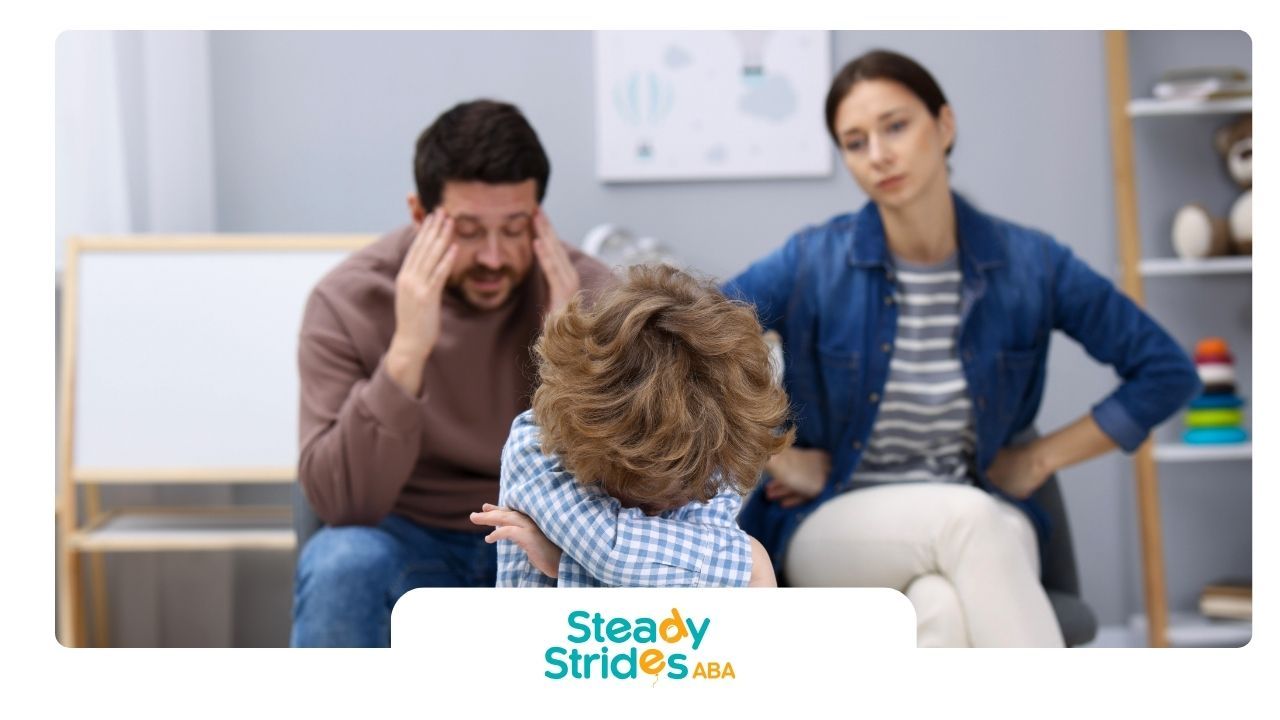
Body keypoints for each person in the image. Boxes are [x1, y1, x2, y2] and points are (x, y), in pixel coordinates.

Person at [722, 50, 1201, 647]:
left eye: (895, 126)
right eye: (855, 141)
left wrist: (1042, 457)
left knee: (939, 608)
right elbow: (689, 343)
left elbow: (1165, 371)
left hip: (987, 516)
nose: (878, 155)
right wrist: (776, 455)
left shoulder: (1030, 264)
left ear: (944, 125)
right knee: (966, 523)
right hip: (838, 523)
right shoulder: (813, 261)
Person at [290, 99, 618, 647]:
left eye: (515, 228)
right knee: (342, 563)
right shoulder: (347, 300)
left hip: (554, 538)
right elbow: (340, 503)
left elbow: (629, 480)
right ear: (420, 215)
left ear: (538, 213)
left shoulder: (591, 295)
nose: (493, 256)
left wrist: (569, 358)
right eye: (467, 231)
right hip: (408, 541)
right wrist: (406, 353)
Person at [469, 264, 790, 587]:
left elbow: (661, 578)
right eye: (639, 496)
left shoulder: (713, 462)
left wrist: (562, 562)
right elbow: (611, 550)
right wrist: (752, 560)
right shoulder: (534, 445)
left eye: (677, 494)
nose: (655, 512)